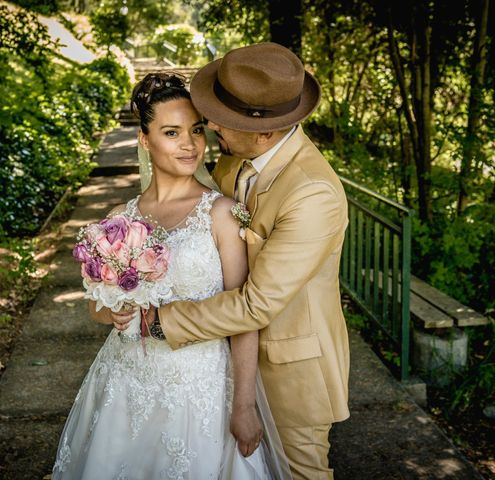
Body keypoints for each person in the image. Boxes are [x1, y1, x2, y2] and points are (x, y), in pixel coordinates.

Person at [52, 73, 291, 479]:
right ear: (145, 139)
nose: (189, 144)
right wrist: (113, 314)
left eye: (196, 130)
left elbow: (245, 315)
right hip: (128, 381)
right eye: (171, 132)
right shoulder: (118, 221)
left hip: (201, 387)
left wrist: (244, 404)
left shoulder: (221, 213)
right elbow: (96, 307)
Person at [143, 43, 351, 479]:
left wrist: (160, 321)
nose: (211, 125)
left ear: (266, 132)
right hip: (222, 362)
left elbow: (256, 304)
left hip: (290, 369)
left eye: (220, 119)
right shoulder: (237, 159)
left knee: (300, 473)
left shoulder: (313, 194)